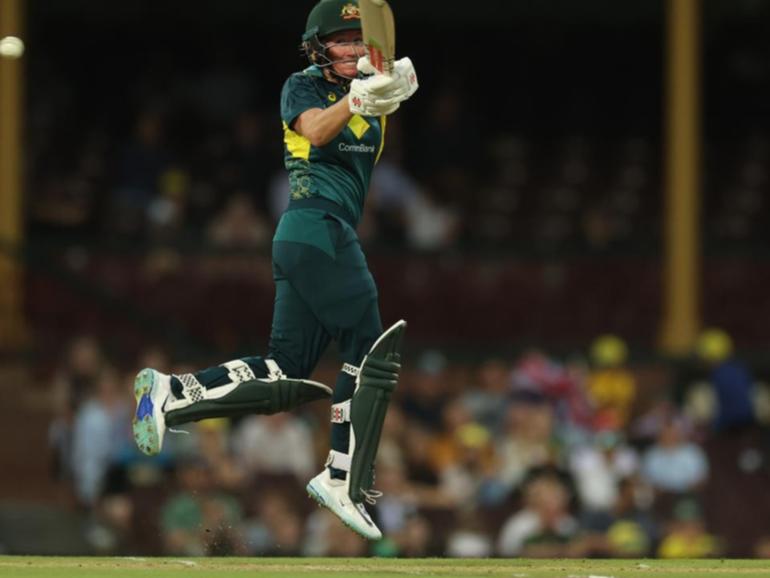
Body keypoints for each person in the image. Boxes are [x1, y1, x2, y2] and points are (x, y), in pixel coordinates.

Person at [131, 0, 418, 541]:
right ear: (317, 46)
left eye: (361, 40)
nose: (354, 48)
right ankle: (344, 480)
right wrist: (360, 96)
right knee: (370, 353)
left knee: (284, 369)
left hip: (309, 237)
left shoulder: (366, 91)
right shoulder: (301, 86)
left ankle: (171, 395)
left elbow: (377, 99)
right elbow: (315, 131)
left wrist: (390, 86)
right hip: (317, 227)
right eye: (343, 40)